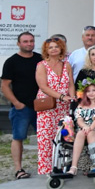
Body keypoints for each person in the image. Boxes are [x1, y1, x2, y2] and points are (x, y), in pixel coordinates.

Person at [1, 31, 43, 180]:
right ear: (19, 43)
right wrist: (17, 103)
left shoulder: (40, 59)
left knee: (46, 136)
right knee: (18, 137)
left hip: (41, 106)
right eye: (25, 41)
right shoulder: (11, 62)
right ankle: (18, 170)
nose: (29, 44)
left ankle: (48, 165)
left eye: (31, 41)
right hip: (22, 108)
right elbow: (5, 86)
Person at [34, 37, 75, 176]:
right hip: (48, 106)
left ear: (61, 49)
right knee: (46, 137)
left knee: (65, 136)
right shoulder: (41, 65)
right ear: (46, 50)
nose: (53, 49)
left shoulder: (66, 65)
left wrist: (73, 98)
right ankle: (47, 169)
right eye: (50, 47)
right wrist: (61, 96)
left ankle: (63, 165)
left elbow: (70, 84)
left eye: (56, 47)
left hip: (64, 107)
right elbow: (43, 87)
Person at [67, 80, 95, 176]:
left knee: (90, 133)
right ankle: (73, 167)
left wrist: (89, 128)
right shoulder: (81, 106)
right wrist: (85, 127)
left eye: (94, 90)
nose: (91, 93)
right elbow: (79, 120)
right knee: (80, 133)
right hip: (83, 130)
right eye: (88, 91)